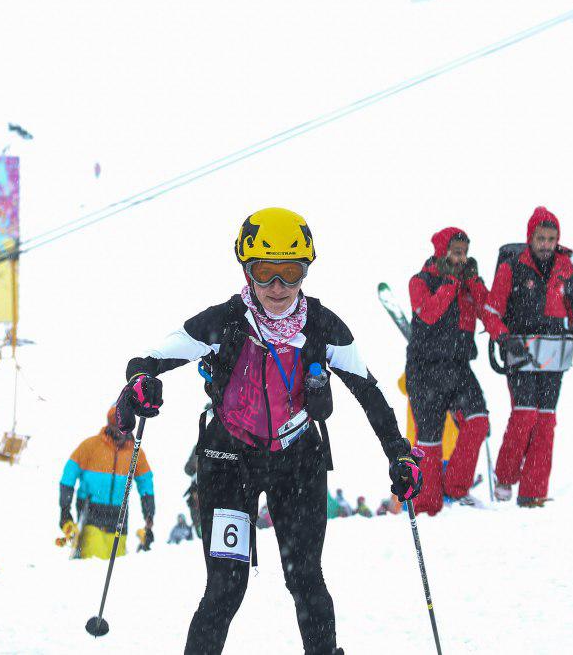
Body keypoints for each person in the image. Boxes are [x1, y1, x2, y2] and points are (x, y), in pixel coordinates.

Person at [114, 207, 420, 655]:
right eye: (265, 272)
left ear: (305, 271)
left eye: (290, 273)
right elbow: (151, 358)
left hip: (298, 463)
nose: (278, 287)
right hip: (228, 461)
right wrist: (139, 383)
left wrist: (399, 452)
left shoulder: (324, 327)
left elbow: (369, 393)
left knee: (306, 581)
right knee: (226, 586)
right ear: (247, 271)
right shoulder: (225, 321)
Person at [485, 207, 573, 507]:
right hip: (520, 350)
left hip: (555, 353)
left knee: (546, 422)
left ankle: (533, 493)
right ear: (530, 237)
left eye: (551, 239)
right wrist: (504, 339)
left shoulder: (567, 270)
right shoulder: (512, 267)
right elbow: (491, 313)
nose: (546, 245)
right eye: (541, 238)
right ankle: (505, 478)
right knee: (525, 415)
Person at [405, 227, 517, 515]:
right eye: (457, 252)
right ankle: (428, 506)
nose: (462, 258)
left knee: (478, 421)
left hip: (458, 367)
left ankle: (457, 488)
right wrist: (451, 282)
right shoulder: (420, 281)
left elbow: (489, 310)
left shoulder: (468, 285)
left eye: (465, 253)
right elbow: (429, 313)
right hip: (425, 369)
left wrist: (503, 337)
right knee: (429, 439)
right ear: (442, 252)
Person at [58, 406, 155, 560]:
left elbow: (146, 484)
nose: (121, 432)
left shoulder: (135, 453)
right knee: (93, 559)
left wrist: (149, 516)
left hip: (119, 515)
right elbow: (68, 477)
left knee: (116, 562)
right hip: (90, 511)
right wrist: (65, 510)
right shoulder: (90, 446)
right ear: (109, 425)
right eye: (117, 426)